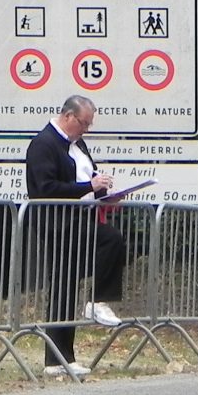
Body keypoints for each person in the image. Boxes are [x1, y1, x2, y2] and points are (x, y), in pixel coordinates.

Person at [24, 95, 126, 377]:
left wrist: (106, 194)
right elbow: (47, 188)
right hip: (59, 223)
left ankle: (59, 359)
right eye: (83, 123)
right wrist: (88, 186)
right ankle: (98, 301)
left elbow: (88, 178)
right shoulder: (43, 144)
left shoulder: (77, 144)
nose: (86, 130)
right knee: (110, 240)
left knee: (64, 286)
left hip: (80, 217)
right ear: (68, 116)